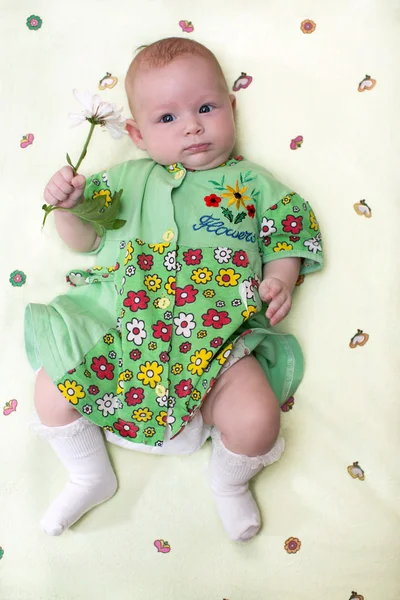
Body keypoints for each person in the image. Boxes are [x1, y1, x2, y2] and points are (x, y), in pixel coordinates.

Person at [25, 37, 323, 542]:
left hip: (214, 342)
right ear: (138, 135)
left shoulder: (252, 183)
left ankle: (229, 484)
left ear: (231, 107)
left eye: (206, 107)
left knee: (257, 419)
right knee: (52, 389)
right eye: (168, 119)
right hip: (117, 331)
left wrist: (279, 279)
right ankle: (89, 475)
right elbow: (83, 241)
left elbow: (286, 234)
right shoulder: (124, 179)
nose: (191, 125)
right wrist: (70, 208)